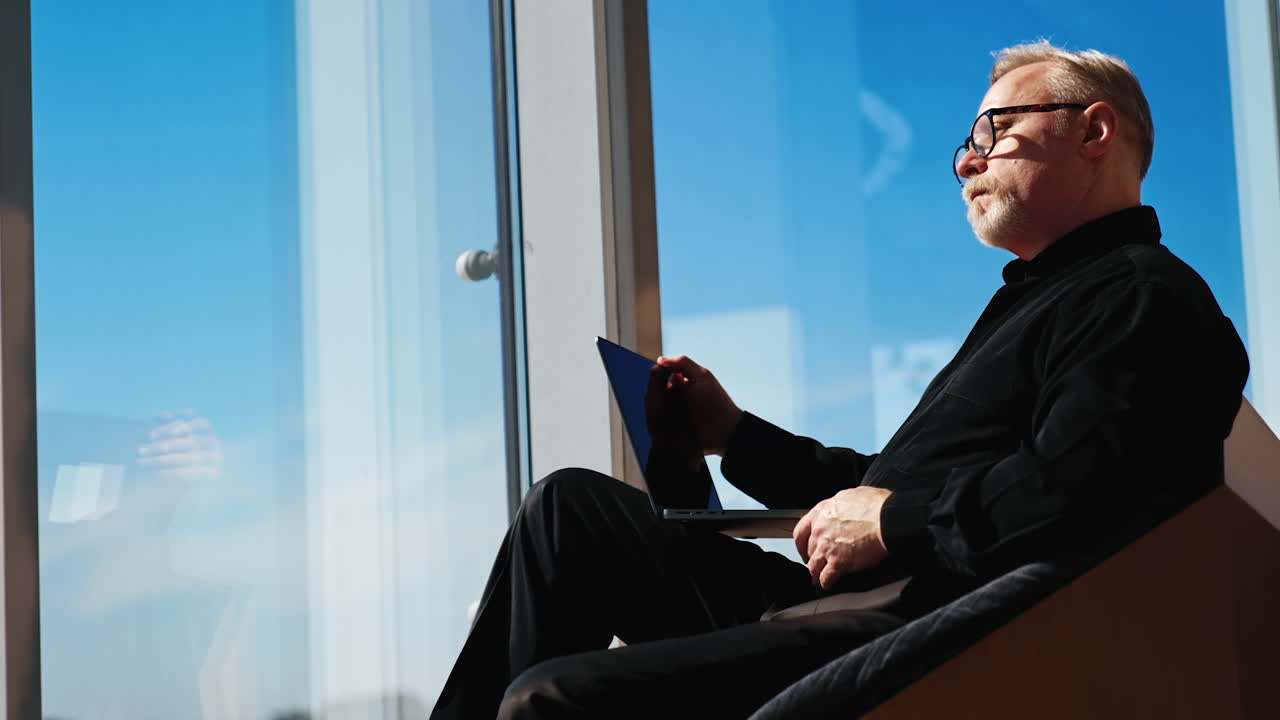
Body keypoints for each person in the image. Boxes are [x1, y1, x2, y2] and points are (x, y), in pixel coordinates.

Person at [430, 40, 1250, 719]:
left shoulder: (1142, 296)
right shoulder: (1046, 303)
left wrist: (895, 524)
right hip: (855, 601)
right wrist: (734, 436)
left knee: (553, 701)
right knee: (569, 514)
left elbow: (1076, 492)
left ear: (1095, 132)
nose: (966, 161)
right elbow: (886, 492)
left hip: (912, 625)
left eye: (992, 128)